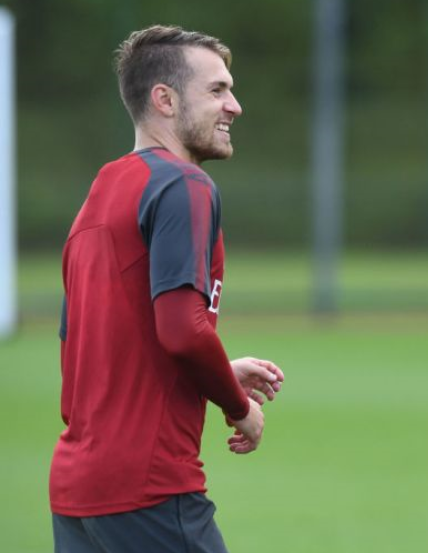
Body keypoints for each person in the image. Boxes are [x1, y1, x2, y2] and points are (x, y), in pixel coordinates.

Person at [50, 25, 284, 553]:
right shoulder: (184, 183)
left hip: (76, 490)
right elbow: (182, 331)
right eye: (217, 90)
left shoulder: (101, 192)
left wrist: (216, 369)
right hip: (148, 488)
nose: (235, 106)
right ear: (165, 99)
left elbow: (81, 353)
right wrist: (238, 406)